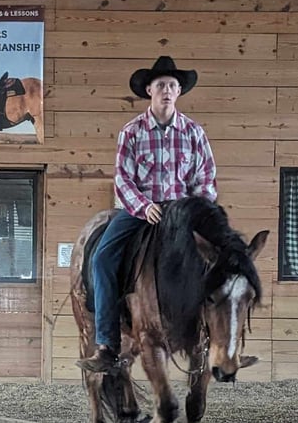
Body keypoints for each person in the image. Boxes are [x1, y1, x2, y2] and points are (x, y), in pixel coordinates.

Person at [76, 55, 217, 373]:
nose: (167, 90)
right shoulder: (132, 132)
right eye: (161, 85)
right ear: (149, 91)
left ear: (179, 91)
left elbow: (205, 179)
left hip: (182, 213)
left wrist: (194, 211)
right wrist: (144, 206)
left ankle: (219, 341)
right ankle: (107, 344)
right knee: (102, 259)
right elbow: (122, 179)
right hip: (140, 211)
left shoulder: (194, 133)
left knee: (222, 258)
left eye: (172, 85)